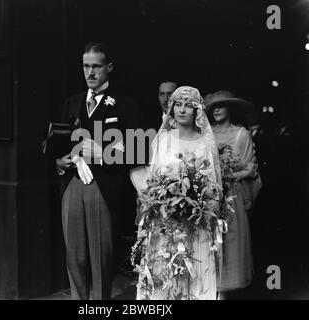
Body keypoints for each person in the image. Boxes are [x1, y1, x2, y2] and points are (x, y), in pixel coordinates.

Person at [56, 42, 142, 300]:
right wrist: (60, 162)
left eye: (96, 66)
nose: (90, 72)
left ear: (109, 68)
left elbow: (138, 151)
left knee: (100, 256)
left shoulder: (125, 105)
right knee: (75, 256)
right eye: (86, 66)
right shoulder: (71, 103)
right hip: (72, 185)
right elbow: (56, 145)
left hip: (103, 188)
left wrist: (103, 156)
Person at [131, 86, 223, 300]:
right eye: (178, 105)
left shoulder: (206, 143)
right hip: (165, 221)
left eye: (188, 106)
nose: (182, 110)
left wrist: (197, 202)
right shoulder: (163, 140)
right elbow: (152, 179)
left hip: (195, 222)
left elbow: (213, 185)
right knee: (164, 276)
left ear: (197, 111)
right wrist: (161, 199)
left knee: (194, 274)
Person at [204, 90, 262, 294]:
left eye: (222, 106)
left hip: (232, 196)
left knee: (231, 241)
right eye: (213, 107)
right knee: (209, 243)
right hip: (209, 196)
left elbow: (250, 168)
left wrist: (232, 175)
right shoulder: (206, 133)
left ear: (230, 109)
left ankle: (224, 294)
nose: (217, 110)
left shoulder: (241, 134)